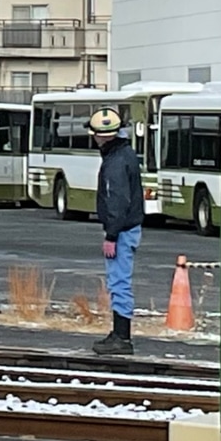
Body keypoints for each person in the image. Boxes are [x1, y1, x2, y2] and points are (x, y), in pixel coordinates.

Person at [90, 107, 144, 356]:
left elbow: (117, 200)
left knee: (118, 282)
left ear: (100, 135)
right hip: (129, 227)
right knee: (120, 280)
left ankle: (121, 337)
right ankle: (120, 334)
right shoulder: (127, 154)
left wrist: (111, 234)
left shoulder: (114, 163)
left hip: (121, 231)